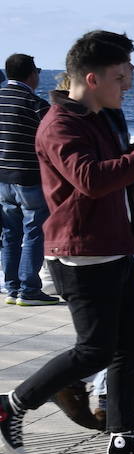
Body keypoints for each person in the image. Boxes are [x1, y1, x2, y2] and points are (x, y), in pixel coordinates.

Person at [0, 31, 134, 454]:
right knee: (94, 350)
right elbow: (91, 179)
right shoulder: (59, 124)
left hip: (114, 246)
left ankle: (123, 437)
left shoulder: (98, 116)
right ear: (92, 78)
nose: (128, 85)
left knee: (130, 345)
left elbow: (112, 173)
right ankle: (12, 406)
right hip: (80, 253)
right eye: (121, 78)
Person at [0, 52, 59, 306]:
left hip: (1, 177)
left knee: (9, 233)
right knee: (34, 230)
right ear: (31, 74)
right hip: (29, 177)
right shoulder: (36, 104)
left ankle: (11, 288)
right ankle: (29, 290)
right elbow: (51, 143)